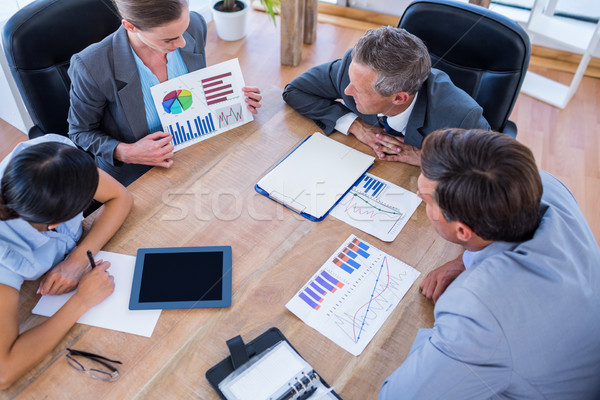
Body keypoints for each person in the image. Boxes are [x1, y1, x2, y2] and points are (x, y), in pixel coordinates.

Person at [378, 129, 600, 399]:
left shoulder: (477, 314)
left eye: (425, 200)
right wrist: (465, 260)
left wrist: (449, 335)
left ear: (462, 231)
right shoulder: (543, 184)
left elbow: (398, 397)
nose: (418, 196)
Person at [68, 0, 262, 186]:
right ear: (130, 26)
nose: (183, 43)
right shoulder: (92, 66)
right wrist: (127, 152)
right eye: (169, 39)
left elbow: (193, 92)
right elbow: (80, 132)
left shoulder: (194, 24)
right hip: (138, 172)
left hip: (193, 147)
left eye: (183, 31)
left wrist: (233, 97)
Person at [0, 135, 133, 389]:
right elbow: (4, 373)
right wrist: (81, 301)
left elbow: (121, 197)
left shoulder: (51, 158)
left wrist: (76, 260)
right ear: (54, 225)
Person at [282, 27, 489, 166]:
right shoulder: (352, 69)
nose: (347, 90)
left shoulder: (463, 117)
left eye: (360, 91)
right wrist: (355, 126)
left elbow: (492, 170)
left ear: (399, 98)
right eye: (350, 80)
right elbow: (295, 91)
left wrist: (426, 157)